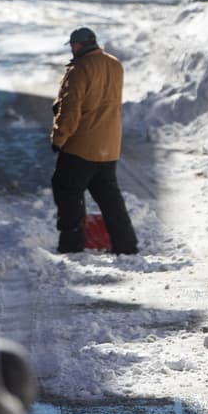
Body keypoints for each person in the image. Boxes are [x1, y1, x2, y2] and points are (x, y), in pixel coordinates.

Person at [50, 27, 139, 254]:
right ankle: (126, 245)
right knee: (110, 200)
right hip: (108, 147)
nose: (72, 49)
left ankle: (72, 244)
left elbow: (71, 110)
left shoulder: (79, 69)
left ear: (79, 45)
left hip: (81, 146)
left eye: (73, 45)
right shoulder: (114, 64)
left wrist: (59, 138)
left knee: (67, 191)